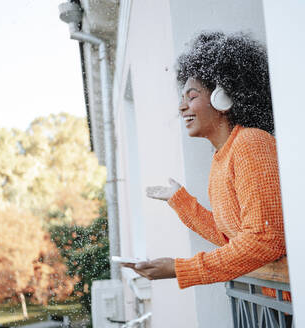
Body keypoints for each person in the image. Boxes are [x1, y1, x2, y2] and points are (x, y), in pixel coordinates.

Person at [122, 31, 289, 301]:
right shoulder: (223, 155)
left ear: (222, 97)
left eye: (191, 96)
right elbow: (230, 237)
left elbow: (265, 239)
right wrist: (181, 202)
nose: (181, 106)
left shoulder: (251, 143)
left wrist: (179, 268)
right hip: (274, 304)